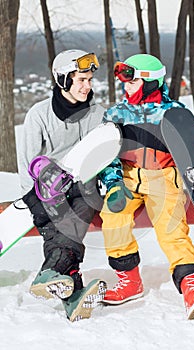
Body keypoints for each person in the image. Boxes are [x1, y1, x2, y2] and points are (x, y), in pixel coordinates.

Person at [98, 54, 194, 320]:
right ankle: (129, 282)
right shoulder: (116, 114)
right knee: (113, 220)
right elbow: (106, 153)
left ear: (149, 82)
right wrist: (113, 182)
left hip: (163, 178)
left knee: (172, 231)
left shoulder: (173, 113)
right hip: (127, 178)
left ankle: (192, 284)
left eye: (132, 80)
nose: (126, 86)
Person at [18, 49, 108, 322]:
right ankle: (72, 292)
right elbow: (27, 164)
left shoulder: (97, 114)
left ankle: (52, 274)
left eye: (90, 79)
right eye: (81, 80)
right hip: (48, 190)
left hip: (83, 188)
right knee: (63, 222)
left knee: (78, 208)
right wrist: (36, 201)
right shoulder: (39, 115)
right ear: (62, 79)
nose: (88, 86)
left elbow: (104, 155)